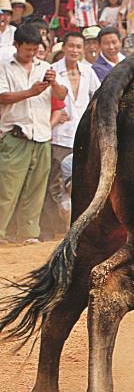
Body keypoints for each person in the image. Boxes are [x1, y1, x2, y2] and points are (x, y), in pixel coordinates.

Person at [0, 24, 66, 245]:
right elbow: (2, 97)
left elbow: (62, 95)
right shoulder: (4, 66)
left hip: (41, 135)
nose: (31, 53)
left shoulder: (46, 67)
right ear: (16, 45)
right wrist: (31, 92)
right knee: (6, 189)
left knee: (36, 189)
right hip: (15, 135)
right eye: (27, 49)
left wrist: (54, 82)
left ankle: (27, 233)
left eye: (35, 49)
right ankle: (1, 232)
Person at [42, 31, 100, 239]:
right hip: (58, 135)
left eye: (78, 47)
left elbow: (97, 96)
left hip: (82, 136)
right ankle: (50, 230)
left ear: (83, 50)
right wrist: (54, 114)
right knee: (54, 184)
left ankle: (75, 229)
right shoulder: (53, 71)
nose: (75, 50)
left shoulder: (88, 71)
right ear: (63, 47)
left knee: (81, 183)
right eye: (71, 46)